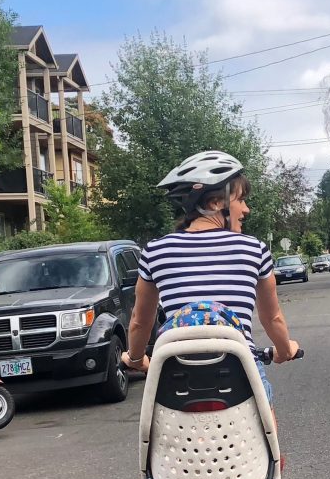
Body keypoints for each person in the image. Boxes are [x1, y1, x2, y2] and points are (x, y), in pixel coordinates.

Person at [122, 150, 299, 400]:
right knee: (264, 421)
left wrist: (136, 359)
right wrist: (285, 350)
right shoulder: (254, 249)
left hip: (177, 376)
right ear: (215, 203)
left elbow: (141, 321)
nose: (246, 209)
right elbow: (273, 318)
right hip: (240, 373)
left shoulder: (155, 251)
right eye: (241, 200)